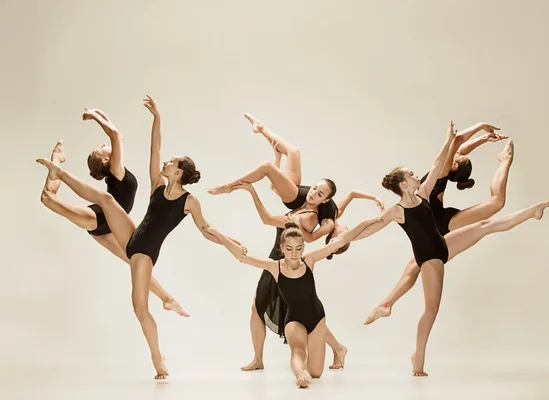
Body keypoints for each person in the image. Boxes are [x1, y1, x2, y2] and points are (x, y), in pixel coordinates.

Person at [36, 95, 242, 379]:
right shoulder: (157, 184)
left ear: (179, 171)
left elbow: (207, 230)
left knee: (139, 308)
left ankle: (158, 359)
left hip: (144, 253)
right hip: (131, 237)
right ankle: (60, 172)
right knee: (107, 201)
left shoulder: (189, 201)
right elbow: (154, 147)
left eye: (171, 162)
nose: (165, 161)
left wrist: (231, 244)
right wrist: (156, 117)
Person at [349, 121, 549, 376]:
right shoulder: (408, 200)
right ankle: (414, 352)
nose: (416, 174)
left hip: (440, 235)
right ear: (404, 183)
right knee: (429, 300)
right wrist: (344, 240)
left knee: (482, 225)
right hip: (433, 242)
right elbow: (371, 227)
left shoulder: (430, 184)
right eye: (410, 174)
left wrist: (463, 136)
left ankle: (531, 211)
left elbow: (447, 153)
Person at [209, 114, 347, 371]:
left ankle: (228, 185)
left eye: (320, 194)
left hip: (283, 257)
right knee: (292, 152)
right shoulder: (304, 200)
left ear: (325, 201)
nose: (315, 193)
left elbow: (273, 222)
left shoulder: (308, 218)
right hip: (284, 247)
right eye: (315, 188)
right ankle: (262, 129)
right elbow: (275, 189)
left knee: (270, 308)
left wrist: (246, 189)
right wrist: (278, 158)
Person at [39, 109, 187, 316]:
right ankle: (56, 161)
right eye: (100, 148)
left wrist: (99, 113)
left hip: (107, 227)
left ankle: (167, 299)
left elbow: (118, 135)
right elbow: (115, 135)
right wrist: (94, 117)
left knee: (135, 261)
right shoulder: (116, 170)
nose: (102, 145)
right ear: (106, 161)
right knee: (47, 198)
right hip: (99, 218)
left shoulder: (117, 168)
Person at [365, 122, 514, 325]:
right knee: (414, 265)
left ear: (454, 165)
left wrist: (481, 127)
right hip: (439, 219)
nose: (459, 153)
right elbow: (461, 148)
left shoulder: (441, 170)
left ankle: (505, 160)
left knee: (496, 203)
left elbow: (458, 142)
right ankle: (386, 304)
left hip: (439, 221)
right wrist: (483, 139)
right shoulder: (442, 172)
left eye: (459, 158)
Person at [205, 218, 380, 388]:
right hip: (293, 320)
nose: (294, 253)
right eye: (289, 249)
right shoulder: (275, 267)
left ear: (303, 247)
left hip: (317, 319)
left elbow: (343, 239)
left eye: (298, 248)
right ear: (281, 248)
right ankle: (299, 374)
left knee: (316, 372)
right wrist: (218, 234)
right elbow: (243, 256)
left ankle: (335, 352)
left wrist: (376, 220)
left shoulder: (309, 259)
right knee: (297, 350)